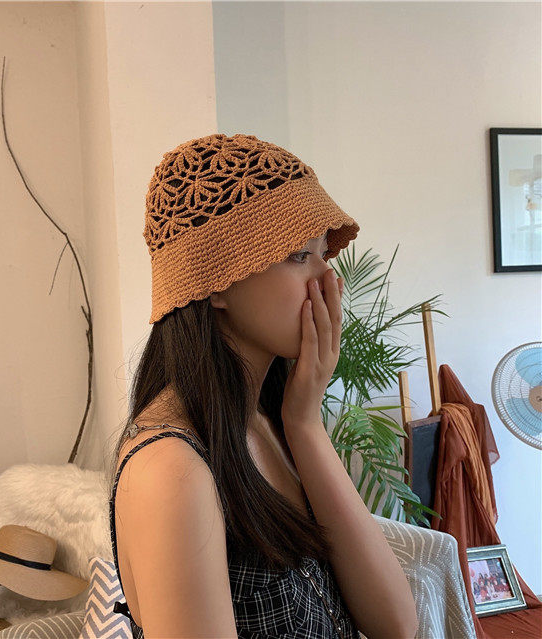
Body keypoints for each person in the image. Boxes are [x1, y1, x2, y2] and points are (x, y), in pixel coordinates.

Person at [108, 133, 418, 639]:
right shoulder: (171, 470)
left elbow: (396, 623)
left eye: (324, 254)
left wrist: (305, 422)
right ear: (214, 284)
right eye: (299, 255)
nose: (328, 281)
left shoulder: (270, 418)